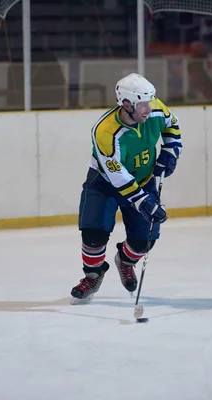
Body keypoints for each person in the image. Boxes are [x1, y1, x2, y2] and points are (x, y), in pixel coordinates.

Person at [70, 73, 183, 303]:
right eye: (142, 104)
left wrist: (170, 151)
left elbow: (172, 126)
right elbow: (117, 175)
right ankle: (93, 275)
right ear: (126, 104)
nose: (149, 109)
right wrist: (144, 202)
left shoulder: (155, 109)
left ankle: (126, 261)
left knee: (145, 240)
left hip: (143, 181)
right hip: (104, 184)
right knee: (93, 234)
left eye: (150, 102)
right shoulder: (105, 131)